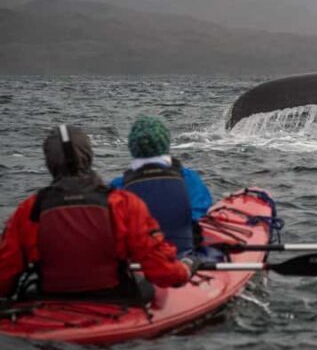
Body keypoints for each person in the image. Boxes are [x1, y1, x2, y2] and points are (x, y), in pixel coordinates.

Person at [0, 125, 198, 300]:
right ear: (89, 157)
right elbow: (161, 269)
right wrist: (186, 267)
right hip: (112, 299)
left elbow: (4, 276)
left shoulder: (28, 211)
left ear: (49, 163)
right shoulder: (123, 204)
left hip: (46, 301)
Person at [110, 116, 212, 255]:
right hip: (182, 256)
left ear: (132, 147)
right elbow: (200, 211)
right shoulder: (189, 179)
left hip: (138, 262)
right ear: (166, 144)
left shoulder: (118, 186)